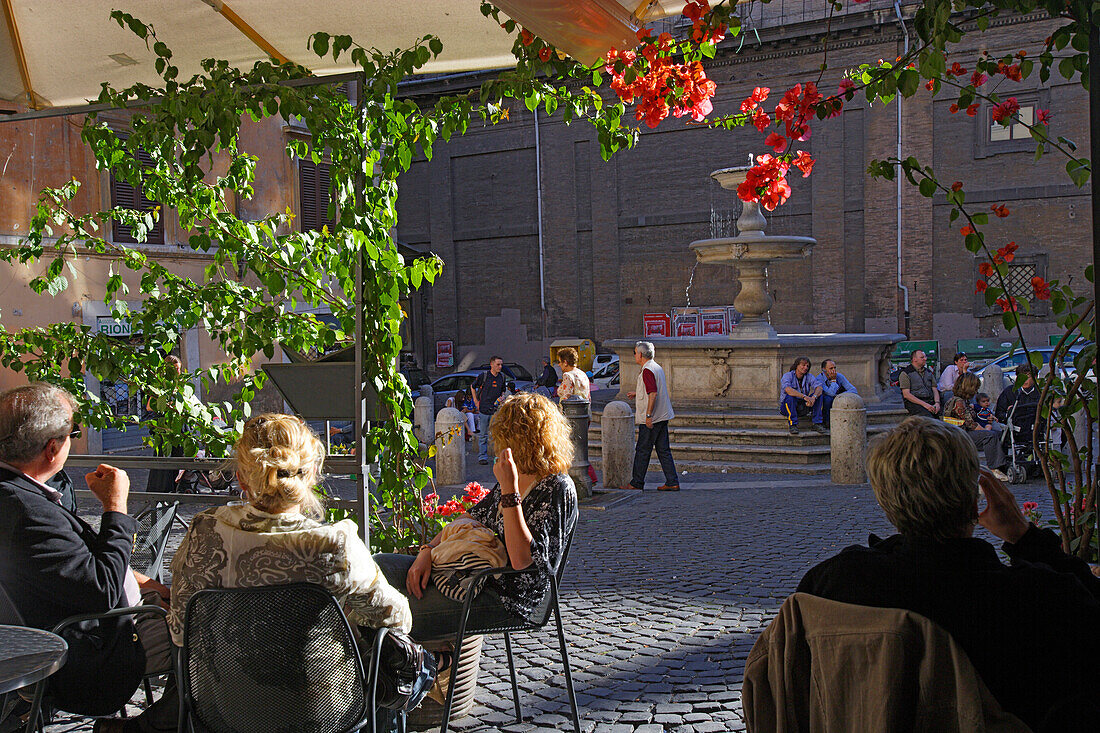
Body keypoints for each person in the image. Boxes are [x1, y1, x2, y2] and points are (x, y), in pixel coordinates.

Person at [796, 417, 1100, 730]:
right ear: (975, 495)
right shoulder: (1039, 597)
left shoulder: (833, 583)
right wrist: (1023, 535)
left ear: (884, 501)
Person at [0, 383, 172, 723]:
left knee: (172, 602)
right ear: (52, 449)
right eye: (72, 433)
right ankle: (158, 726)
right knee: (200, 630)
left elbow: (63, 569)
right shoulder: (28, 512)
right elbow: (102, 591)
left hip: (51, 632)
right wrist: (115, 507)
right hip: (88, 653)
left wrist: (143, 581)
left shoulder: (19, 498)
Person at [374, 392, 579, 641]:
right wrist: (426, 551)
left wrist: (510, 491)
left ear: (526, 440)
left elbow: (521, 560)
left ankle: (427, 666)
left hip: (508, 597)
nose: (499, 445)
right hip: (471, 574)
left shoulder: (557, 486)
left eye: (506, 437)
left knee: (389, 615)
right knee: (379, 566)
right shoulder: (518, 473)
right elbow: (471, 517)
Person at [623, 341, 680, 491]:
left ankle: (636, 482)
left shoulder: (647, 370)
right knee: (663, 449)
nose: (635, 355)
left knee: (643, 450)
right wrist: (638, 393)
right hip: (662, 415)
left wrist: (648, 415)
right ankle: (672, 480)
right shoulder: (656, 367)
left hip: (652, 417)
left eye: (635, 352)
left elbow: (653, 393)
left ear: (640, 354)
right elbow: (653, 389)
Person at [944, 373, 1009, 481]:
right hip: (959, 435)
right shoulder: (958, 402)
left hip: (964, 432)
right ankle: (993, 468)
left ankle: (1003, 464)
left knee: (1001, 435)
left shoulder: (964, 401)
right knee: (990, 436)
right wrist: (986, 430)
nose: (976, 391)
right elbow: (972, 425)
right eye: (975, 388)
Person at [145, 355, 185, 492]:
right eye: (175, 369)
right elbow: (149, 406)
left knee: (180, 457)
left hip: (179, 427)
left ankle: (177, 488)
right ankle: (162, 490)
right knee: (165, 458)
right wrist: (166, 405)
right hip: (165, 427)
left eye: (179, 369)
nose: (178, 372)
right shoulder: (160, 384)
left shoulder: (181, 384)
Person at [470, 356, 508, 465]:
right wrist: (476, 401)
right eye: (498, 364)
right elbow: (472, 387)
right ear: (491, 364)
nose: (500, 366)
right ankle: (483, 457)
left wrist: (502, 397)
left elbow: (503, 391)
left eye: (501, 364)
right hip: (484, 409)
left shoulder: (502, 377)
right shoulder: (484, 376)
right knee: (483, 435)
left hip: (496, 410)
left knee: (497, 435)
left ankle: (498, 457)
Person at [780, 357, 825, 435]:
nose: (806, 368)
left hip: (803, 405)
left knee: (819, 396)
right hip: (787, 406)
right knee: (790, 397)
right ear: (797, 365)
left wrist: (813, 397)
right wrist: (804, 396)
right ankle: (793, 424)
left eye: (807, 366)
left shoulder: (809, 376)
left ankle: (817, 423)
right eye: (803, 365)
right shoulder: (788, 376)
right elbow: (788, 390)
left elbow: (819, 387)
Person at [818, 359, 858, 429]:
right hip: (825, 402)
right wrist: (833, 380)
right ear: (824, 370)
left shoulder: (839, 376)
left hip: (838, 399)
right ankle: (827, 422)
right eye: (831, 368)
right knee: (828, 399)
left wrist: (840, 396)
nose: (833, 370)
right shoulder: (819, 379)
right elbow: (830, 393)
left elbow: (853, 389)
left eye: (834, 368)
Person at [899, 349, 940, 418]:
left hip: (930, 400)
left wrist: (937, 403)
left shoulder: (928, 372)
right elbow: (906, 394)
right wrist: (925, 405)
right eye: (922, 357)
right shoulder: (906, 373)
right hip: (916, 403)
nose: (925, 359)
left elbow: (934, 388)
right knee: (928, 419)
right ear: (915, 359)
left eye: (925, 357)